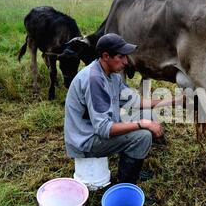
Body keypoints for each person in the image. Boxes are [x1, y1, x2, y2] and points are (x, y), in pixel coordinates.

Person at [64, 33, 180, 185]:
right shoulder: (94, 80)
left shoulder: (113, 75)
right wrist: (142, 124)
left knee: (148, 114)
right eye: (121, 56)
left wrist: (176, 101)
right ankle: (126, 184)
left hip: (99, 128)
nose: (126, 62)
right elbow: (104, 129)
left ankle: (132, 167)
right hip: (86, 141)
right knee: (143, 135)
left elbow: (136, 102)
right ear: (106, 56)